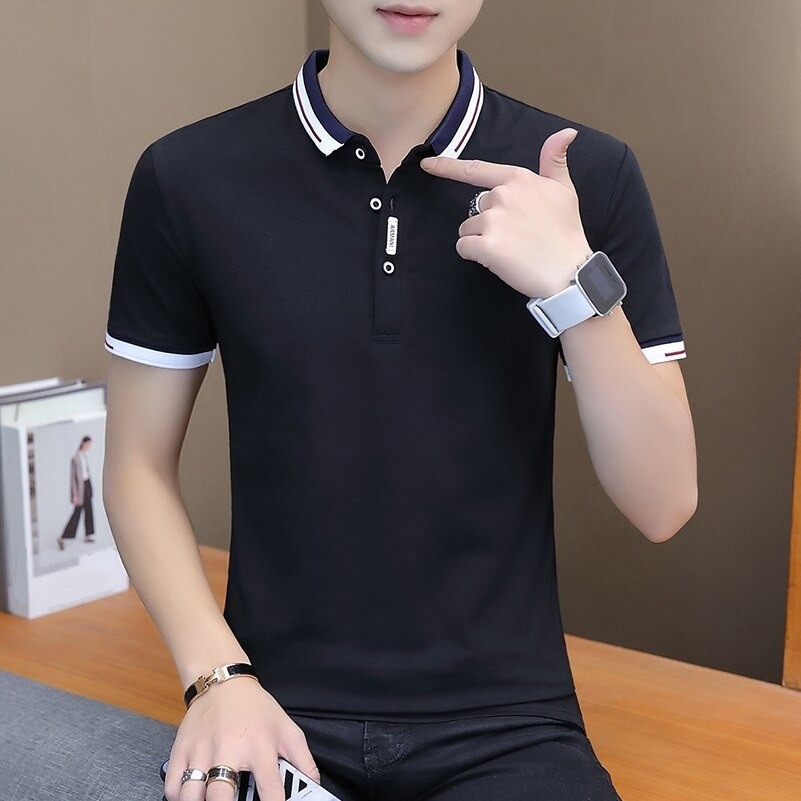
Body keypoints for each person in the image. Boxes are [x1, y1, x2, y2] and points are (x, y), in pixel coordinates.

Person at [101, 2, 697, 800]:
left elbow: (662, 503)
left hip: (511, 727)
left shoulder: (583, 174)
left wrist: (573, 286)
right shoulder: (187, 175)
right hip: (271, 708)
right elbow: (136, 466)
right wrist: (217, 677)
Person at [58, 435, 95, 549]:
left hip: (87, 485)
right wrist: (75, 495)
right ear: (83, 443)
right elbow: (73, 479)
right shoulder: (75, 458)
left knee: (89, 510)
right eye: (88, 444)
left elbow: (86, 473)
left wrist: (90, 488)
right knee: (77, 513)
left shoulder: (84, 456)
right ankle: (62, 538)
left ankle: (88, 536)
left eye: (90, 445)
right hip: (80, 488)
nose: (89, 447)